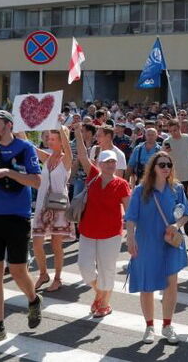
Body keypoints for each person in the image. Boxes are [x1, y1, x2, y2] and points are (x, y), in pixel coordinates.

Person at [0, 110, 43, 348]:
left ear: (8, 125)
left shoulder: (25, 148)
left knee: (17, 271)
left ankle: (33, 299)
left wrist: (7, 172)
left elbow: (36, 181)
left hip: (17, 216)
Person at [126, 151, 188, 344]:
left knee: (171, 284)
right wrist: (130, 238)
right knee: (147, 285)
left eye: (169, 165)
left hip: (170, 242)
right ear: (153, 167)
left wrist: (177, 225)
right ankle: (149, 327)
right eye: (161, 165)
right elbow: (131, 216)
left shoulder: (177, 188)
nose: (166, 168)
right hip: (146, 241)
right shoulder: (141, 190)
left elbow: (186, 214)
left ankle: (167, 325)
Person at [75, 135, 132, 318]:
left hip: (111, 233)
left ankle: (104, 304)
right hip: (88, 230)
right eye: (107, 162)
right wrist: (76, 131)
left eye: (113, 162)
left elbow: (129, 211)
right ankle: (99, 293)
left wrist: (132, 234)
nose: (110, 165)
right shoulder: (92, 176)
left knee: (107, 269)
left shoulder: (122, 184)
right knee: (85, 267)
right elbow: (83, 156)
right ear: (99, 164)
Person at [32, 126, 75, 293]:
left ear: (61, 141)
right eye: (48, 138)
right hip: (43, 205)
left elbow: (68, 147)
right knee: (36, 242)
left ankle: (57, 278)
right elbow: (29, 146)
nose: (49, 141)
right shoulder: (47, 158)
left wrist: (62, 130)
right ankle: (43, 274)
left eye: (53, 139)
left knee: (56, 244)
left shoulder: (66, 159)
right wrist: (18, 128)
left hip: (59, 207)